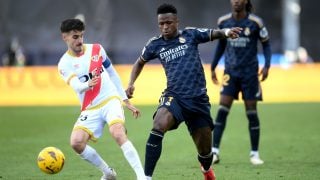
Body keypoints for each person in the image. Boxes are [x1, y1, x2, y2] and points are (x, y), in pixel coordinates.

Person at [125, 4, 241, 180]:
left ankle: (206, 169)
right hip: (175, 96)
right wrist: (131, 83)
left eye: (168, 23)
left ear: (176, 21)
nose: (164, 27)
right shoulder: (154, 44)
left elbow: (213, 33)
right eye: (161, 24)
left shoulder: (190, 35)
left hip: (198, 100)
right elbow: (139, 62)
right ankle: (146, 177)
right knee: (158, 125)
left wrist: (226, 32)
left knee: (205, 154)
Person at [58, 18, 146, 180]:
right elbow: (77, 86)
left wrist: (125, 100)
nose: (80, 40)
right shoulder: (64, 63)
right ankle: (108, 172)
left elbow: (112, 72)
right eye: (75, 37)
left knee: (117, 132)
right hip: (90, 107)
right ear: (65, 37)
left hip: (110, 99)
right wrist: (87, 85)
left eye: (82, 36)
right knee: (76, 142)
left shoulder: (97, 49)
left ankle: (142, 177)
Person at [210, 0, 271, 165]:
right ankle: (214, 152)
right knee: (222, 110)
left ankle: (254, 154)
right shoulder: (223, 22)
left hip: (250, 74)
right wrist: (213, 67)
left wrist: (267, 65)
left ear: (246, 1)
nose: (236, 1)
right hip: (230, 73)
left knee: (251, 113)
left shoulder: (256, 23)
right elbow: (221, 45)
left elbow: (266, 45)